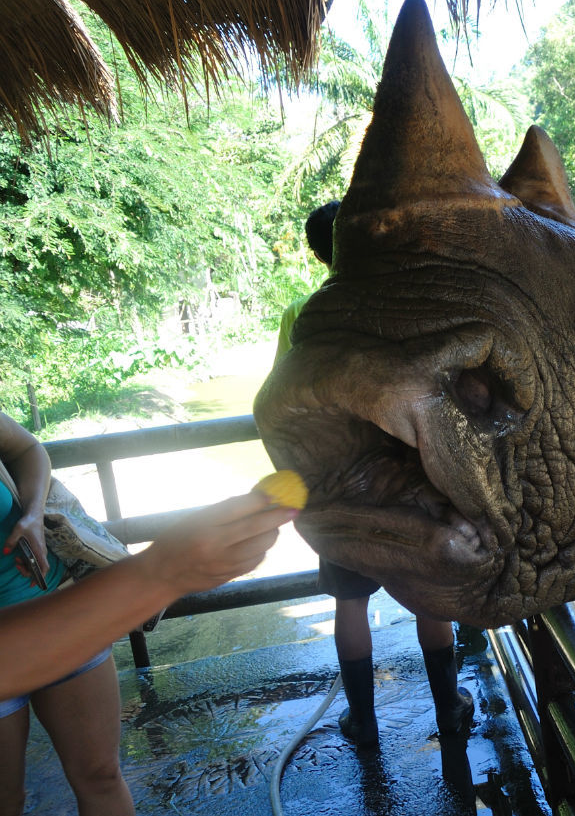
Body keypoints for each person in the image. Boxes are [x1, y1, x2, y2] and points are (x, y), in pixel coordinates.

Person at [0, 411, 292, 815]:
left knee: (101, 775)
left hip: (63, 602)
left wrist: (32, 513)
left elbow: (27, 448)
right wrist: (164, 572)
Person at [279, 201, 473, 747]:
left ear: (318, 253)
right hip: (415, 474)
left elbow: (282, 399)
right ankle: (448, 710)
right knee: (430, 592)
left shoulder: (304, 314)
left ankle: (362, 720)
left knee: (350, 601)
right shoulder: (404, 305)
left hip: (345, 478)